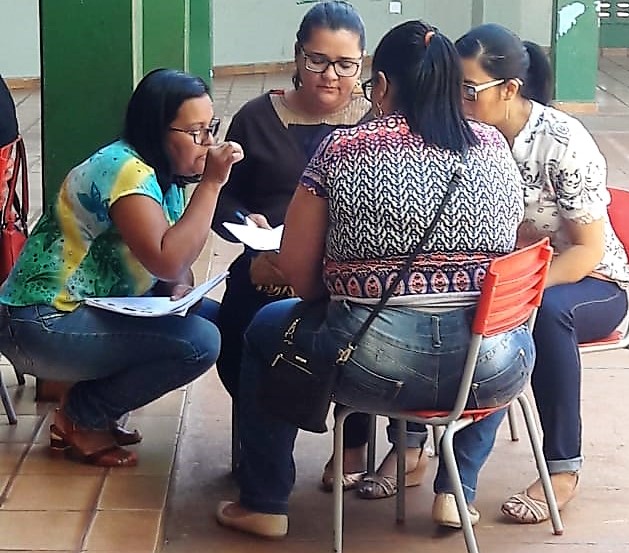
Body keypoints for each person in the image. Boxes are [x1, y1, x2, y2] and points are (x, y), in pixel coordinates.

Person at [216, 20, 533, 539]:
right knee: (500, 331)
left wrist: (342, 286)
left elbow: (298, 275)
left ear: (381, 86)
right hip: (486, 372)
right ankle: (457, 494)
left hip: (370, 369)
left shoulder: (344, 150)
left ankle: (265, 501)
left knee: (263, 328)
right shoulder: (493, 146)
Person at [211, 0, 421, 491]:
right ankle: (265, 450)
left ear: (364, 66)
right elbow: (223, 196)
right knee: (242, 337)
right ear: (297, 56)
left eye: (346, 65)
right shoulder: (256, 117)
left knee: (363, 329)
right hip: (267, 264)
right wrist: (245, 219)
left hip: (347, 273)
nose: (330, 75)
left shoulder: (376, 122)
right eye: (317, 61)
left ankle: (352, 446)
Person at [0, 68, 243, 467]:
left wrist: (179, 286)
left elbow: (173, 266)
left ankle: (91, 413)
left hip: (76, 312)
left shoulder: (163, 175)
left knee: (215, 319)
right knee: (199, 342)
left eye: (211, 127)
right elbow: (167, 256)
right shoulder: (125, 171)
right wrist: (213, 184)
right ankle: (81, 417)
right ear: (157, 130)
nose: (209, 143)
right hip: (37, 322)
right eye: (196, 131)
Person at [455, 24, 629, 524]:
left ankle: (562, 468)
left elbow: (587, 250)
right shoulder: (467, 135)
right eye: (454, 90)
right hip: (503, 277)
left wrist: (522, 289)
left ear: (509, 89)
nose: (460, 103)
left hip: (590, 283)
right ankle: (417, 446)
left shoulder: (561, 140)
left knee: (548, 315)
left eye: (470, 91)